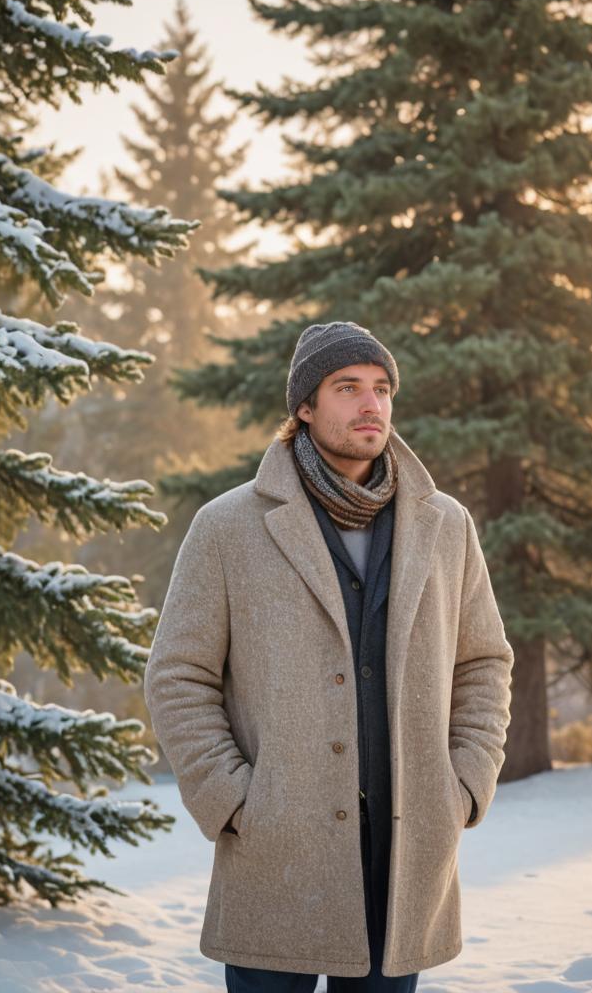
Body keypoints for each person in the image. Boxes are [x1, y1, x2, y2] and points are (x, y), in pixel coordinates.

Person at [144, 321, 515, 992]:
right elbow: (178, 675)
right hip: (276, 848)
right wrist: (233, 799)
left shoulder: (446, 526)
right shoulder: (228, 527)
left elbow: (483, 663)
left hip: (404, 853)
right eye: (348, 388)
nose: (370, 404)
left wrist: (462, 784)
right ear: (305, 408)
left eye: (380, 388)